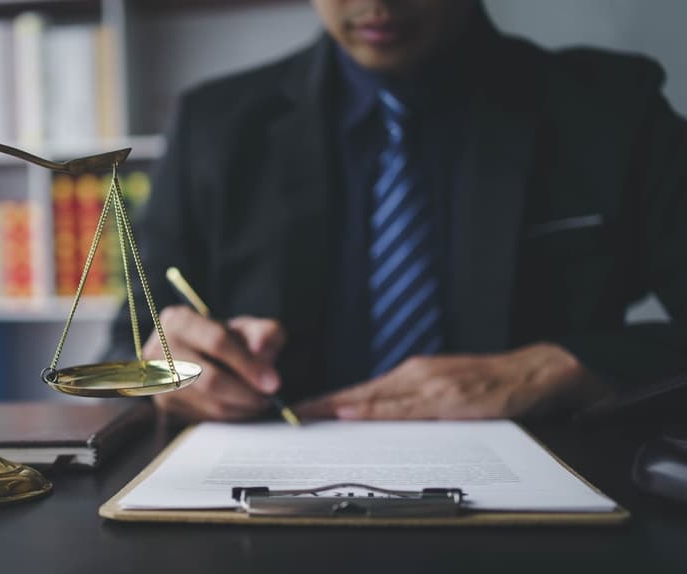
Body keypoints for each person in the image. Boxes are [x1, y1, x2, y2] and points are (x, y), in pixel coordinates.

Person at [105, 0, 687, 423]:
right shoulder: (213, 124)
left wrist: (568, 370)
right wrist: (166, 365)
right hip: (262, 521)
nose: (376, 3)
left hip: (557, 522)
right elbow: (122, 348)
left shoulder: (613, 109)